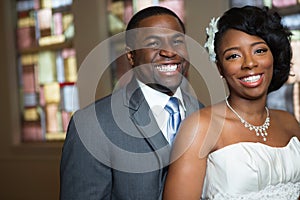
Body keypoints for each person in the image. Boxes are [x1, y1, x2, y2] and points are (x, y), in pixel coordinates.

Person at [60, 6, 204, 200]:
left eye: (177, 41)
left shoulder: (204, 113)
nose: (169, 52)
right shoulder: (91, 124)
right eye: (154, 43)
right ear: (131, 56)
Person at [163, 5, 300, 200]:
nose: (249, 63)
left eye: (259, 51)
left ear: (274, 56)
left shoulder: (290, 123)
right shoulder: (201, 128)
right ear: (220, 67)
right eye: (234, 56)